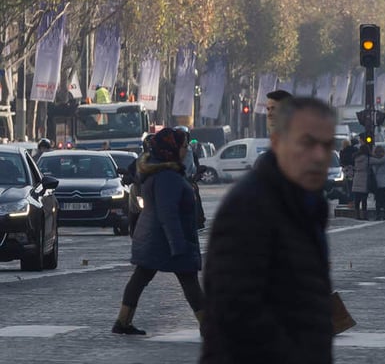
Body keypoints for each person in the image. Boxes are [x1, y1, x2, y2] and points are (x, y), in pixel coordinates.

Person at [201, 96, 335, 364]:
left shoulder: (306, 204)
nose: (320, 156)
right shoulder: (249, 207)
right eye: (307, 143)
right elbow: (236, 309)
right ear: (276, 143)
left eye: (327, 145)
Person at [112, 127, 203, 335]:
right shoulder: (168, 176)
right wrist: (177, 244)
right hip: (167, 239)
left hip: (153, 237)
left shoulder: (161, 171)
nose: (186, 150)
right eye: (183, 146)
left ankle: (123, 322)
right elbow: (168, 212)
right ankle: (210, 327)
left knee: (140, 278)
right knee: (190, 282)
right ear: (171, 148)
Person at [371, 145, 385, 220]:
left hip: (376, 182)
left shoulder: (372, 160)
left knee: (377, 199)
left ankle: (378, 214)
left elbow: (372, 171)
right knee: (384, 198)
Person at [351, 143, 371, 220]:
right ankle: (364, 215)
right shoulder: (368, 158)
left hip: (356, 178)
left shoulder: (356, 158)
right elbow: (378, 161)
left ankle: (357, 215)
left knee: (357, 199)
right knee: (364, 200)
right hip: (364, 179)